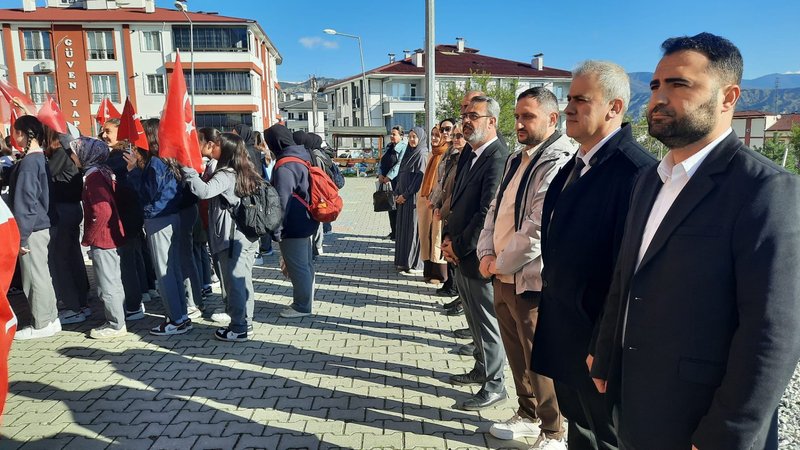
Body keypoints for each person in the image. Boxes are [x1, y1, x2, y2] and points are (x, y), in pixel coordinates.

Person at [590, 33, 800, 450]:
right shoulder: (650, 180)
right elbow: (627, 276)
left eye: (679, 84)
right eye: (655, 86)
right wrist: (605, 351)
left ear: (728, 98)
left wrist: (726, 433)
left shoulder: (765, 189)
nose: (658, 98)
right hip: (637, 402)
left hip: (701, 418)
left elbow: (772, 331)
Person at [530, 61, 656, 450]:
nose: (568, 108)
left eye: (581, 100)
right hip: (564, 332)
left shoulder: (636, 173)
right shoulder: (576, 164)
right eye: (569, 98)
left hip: (595, 345)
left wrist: (604, 347)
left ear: (614, 107)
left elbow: (629, 274)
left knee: (607, 437)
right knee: (579, 428)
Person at [476, 87, 574, 448]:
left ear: (552, 118)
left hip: (529, 279)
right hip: (500, 274)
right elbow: (495, 209)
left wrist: (498, 263)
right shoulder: (517, 159)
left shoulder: (559, 160)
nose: (519, 123)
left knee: (538, 358)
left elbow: (537, 228)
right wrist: (486, 254)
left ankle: (554, 431)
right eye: (517, 116)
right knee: (516, 354)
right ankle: (528, 414)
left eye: (528, 116)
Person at [441, 95, 508, 410]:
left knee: (487, 324)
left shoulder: (497, 157)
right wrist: (447, 238)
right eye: (464, 115)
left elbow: (486, 213)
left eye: (474, 116)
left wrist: (459, 245)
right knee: (473, 319)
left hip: (478, 255)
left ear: (492, 121)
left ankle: (495, 385)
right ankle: (481, 369)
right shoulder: (470, 152)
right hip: (459, 251)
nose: (466, 120)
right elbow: (456, 201)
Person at [182, 133, 262, 341]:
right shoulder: (246, 169)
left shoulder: (225, 174)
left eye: (216, 145)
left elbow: (204, 192)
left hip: (231, 236)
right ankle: (246, 322)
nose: (212, 146)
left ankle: (239, 327)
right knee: (243, 280)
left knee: (234, 283)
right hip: (247, 234)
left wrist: (188, 170)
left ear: (225, 150)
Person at [123, 119, 190, 336]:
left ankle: (176, 319)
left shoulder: (155, 163)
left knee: (164, 272)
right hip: (171, 216)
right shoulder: (167, 159)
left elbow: (146, 194)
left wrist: (133, 171)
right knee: (173, 270)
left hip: (159, 218)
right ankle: (181, 316)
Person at [7, 116, 60, 339]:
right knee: (42, 274)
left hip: (32, 228)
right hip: (39, 225)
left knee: (34, 276)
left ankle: (41, 323)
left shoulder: (30, 162)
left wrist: (20, 237)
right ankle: (50, 318)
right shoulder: (39, 158)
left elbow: (26, 202)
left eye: (14, 132)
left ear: (21, 133)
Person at [71, 137, 127, 339]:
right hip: (108, 235)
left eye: (76, 152)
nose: (73, 157)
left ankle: (115, 324)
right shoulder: (101, 172)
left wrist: (89, 236)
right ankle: (118, 318)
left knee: (107, 283)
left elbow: (102, 210)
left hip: (103, 237)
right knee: (112, 280)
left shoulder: (94, 178)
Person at [265, 124, 319, 318]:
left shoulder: (284, 165)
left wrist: (276, 229)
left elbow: (281, 200)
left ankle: (302, 306)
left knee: (298, 267)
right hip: (306, 218)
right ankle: (307, 301)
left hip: (292, 223)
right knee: (305, 265)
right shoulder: (301, 156)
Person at [44, 126, 91, 325]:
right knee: (73, 256)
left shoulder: (61, 154)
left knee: (60, 259)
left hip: (63, 210)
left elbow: (45, 175)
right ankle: (81, 302)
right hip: (72, 209)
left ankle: (73, 307)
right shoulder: (70, 152)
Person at [417, 124, 450, 284]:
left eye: (438, 135)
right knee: (425, 234)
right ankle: (428, 270)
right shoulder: (432, 153)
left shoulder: (446, 154)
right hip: (425, 199)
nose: (435, 138)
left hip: (438, 200)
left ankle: (439, 274)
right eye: (433, 135)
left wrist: (436, 199)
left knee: (437, 234)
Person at [394, 127, 428, 275]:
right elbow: (401, 174)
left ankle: (415, 264)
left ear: (420, 138)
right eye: (410, 137)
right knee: (404, 230)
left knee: (413, 230)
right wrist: (397, 192)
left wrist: (405, 195)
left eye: (415, 137)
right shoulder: (408, 153)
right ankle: (403, 261)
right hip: (403, 198)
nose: (412, 140)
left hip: (412, 199)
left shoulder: (421, 154)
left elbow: (419, 178)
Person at [377, 126, 406, 240]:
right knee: (389, 206)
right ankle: (393, 231)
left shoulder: (404, 147)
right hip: (385, 181)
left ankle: (399, 232)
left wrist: (389, 176)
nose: (391, 136)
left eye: (394, 134)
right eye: (391, 134)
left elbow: (399, 164)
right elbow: (381, 161)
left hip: (396, 181)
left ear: (401, 136)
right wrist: (380, 174)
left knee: (397, 207)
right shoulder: (389, 146)